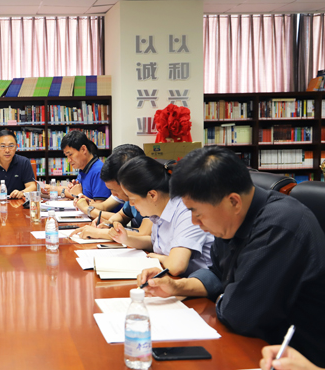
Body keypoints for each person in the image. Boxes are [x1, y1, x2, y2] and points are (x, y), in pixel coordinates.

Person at [137, 146, 325, 367]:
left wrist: (224, 297)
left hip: (293, 356)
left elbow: (240, 314)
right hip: (258, 345)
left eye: (197, 213)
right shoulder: (230, 220)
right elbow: (218, 273)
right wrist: (177, 287)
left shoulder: (280, 225)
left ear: (233, 201)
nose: (195, 222)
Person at [110, 155, 214, 277]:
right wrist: (126, 239)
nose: (131, 204)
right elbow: (156, 243)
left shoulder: (187, 211)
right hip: (174, 278)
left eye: (132, 199)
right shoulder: (160, 210)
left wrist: (160, 257)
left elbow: (176, 266)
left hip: (200, 284)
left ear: (152, 195)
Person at [70, 144, 152, 240]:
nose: (113, 194)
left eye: (114, 190)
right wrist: (108, 223)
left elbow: (144, 234)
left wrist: (100, 233)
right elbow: (122, 216)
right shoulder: (131, 195)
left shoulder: (150, 194)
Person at [56, 130, 111, 202]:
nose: (68, 160)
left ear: (83, 149)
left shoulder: (99, 171)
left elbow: (100, 206)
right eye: (67, 156)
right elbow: (81, 195)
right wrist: (73, 190)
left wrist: (78, 194)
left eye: (70, 154)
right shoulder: (83, 169)